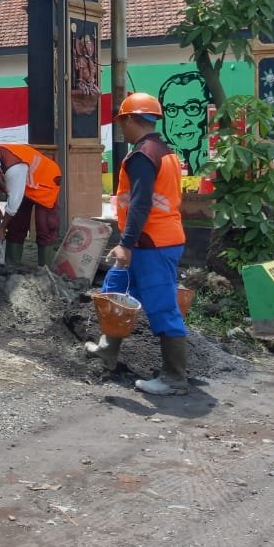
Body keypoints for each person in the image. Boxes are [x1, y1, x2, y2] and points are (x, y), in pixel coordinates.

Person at [86, 92, 189, 396]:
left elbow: (141, 203)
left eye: (122, 121)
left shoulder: (143, 155)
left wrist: (126, 243)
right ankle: (108, 348)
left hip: (152, 242)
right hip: (154, 238)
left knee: (162, 306)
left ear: (131, 119)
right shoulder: (163, 151)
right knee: (115, 289)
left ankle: (174, 377)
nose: (121, 127)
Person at [0, 139, 62, 268]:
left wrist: (2, 228)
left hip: (45, 182)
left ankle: (45, 270)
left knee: (45, 225)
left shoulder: (13, 165)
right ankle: (11, 266)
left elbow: (14, 202)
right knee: (17, 224)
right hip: (25, 185)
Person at [158, 71, 211, 174]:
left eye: (192, 108)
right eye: (171, 110)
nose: (182, 122)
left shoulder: (222, 158)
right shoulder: (155, 158)